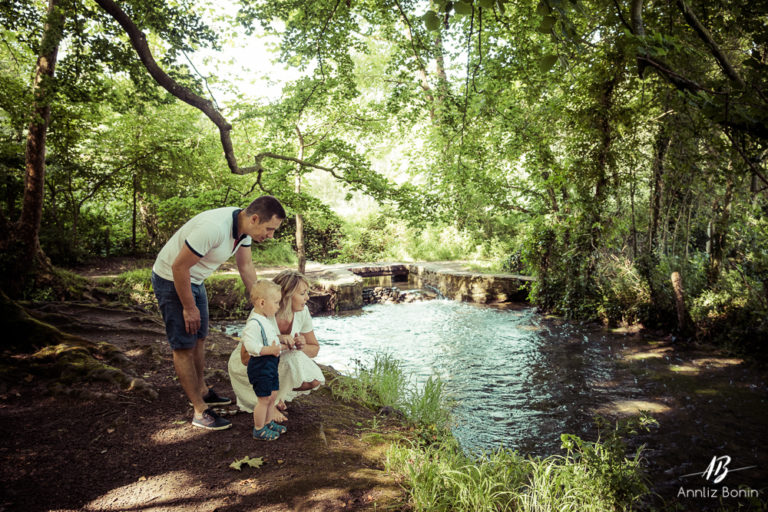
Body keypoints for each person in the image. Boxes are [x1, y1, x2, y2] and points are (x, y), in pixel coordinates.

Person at [151, 195, 285, 430]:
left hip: (196, 280)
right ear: (255, 218)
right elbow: (178, 266)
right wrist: (188, 307)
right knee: (184, 345)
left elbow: (245, 266)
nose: (271, 235)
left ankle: (202, 389)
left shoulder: (244, 230)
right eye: (270, 229)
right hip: (172, 279)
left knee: (200, 337)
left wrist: (263, 303)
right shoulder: (214, 229)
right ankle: (199, 410)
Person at [228, 270, 325, 419]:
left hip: (273, 363)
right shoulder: (261, 313)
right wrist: (279, 342)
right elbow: (245, 358)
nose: (307, 297)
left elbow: (314, 348)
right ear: (286, 295)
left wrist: (300, 345)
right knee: (289, 357)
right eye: (302, 293)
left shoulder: (302, 311)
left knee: (313, 380)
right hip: (249, 369)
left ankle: (277, 396)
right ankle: (269, 403)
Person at [242, 279, 288, 441]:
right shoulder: (254, 323)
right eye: (276, 303)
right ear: (262, 302)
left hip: (270, 364)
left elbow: (271, 341)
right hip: (260, 365)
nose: (278, 306)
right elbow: (251, 346)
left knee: (272, 395)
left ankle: (268, 422)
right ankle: (259, 428)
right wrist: (270, 350)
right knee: (263, 399)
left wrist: (284, 346)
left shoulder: (266, 320)